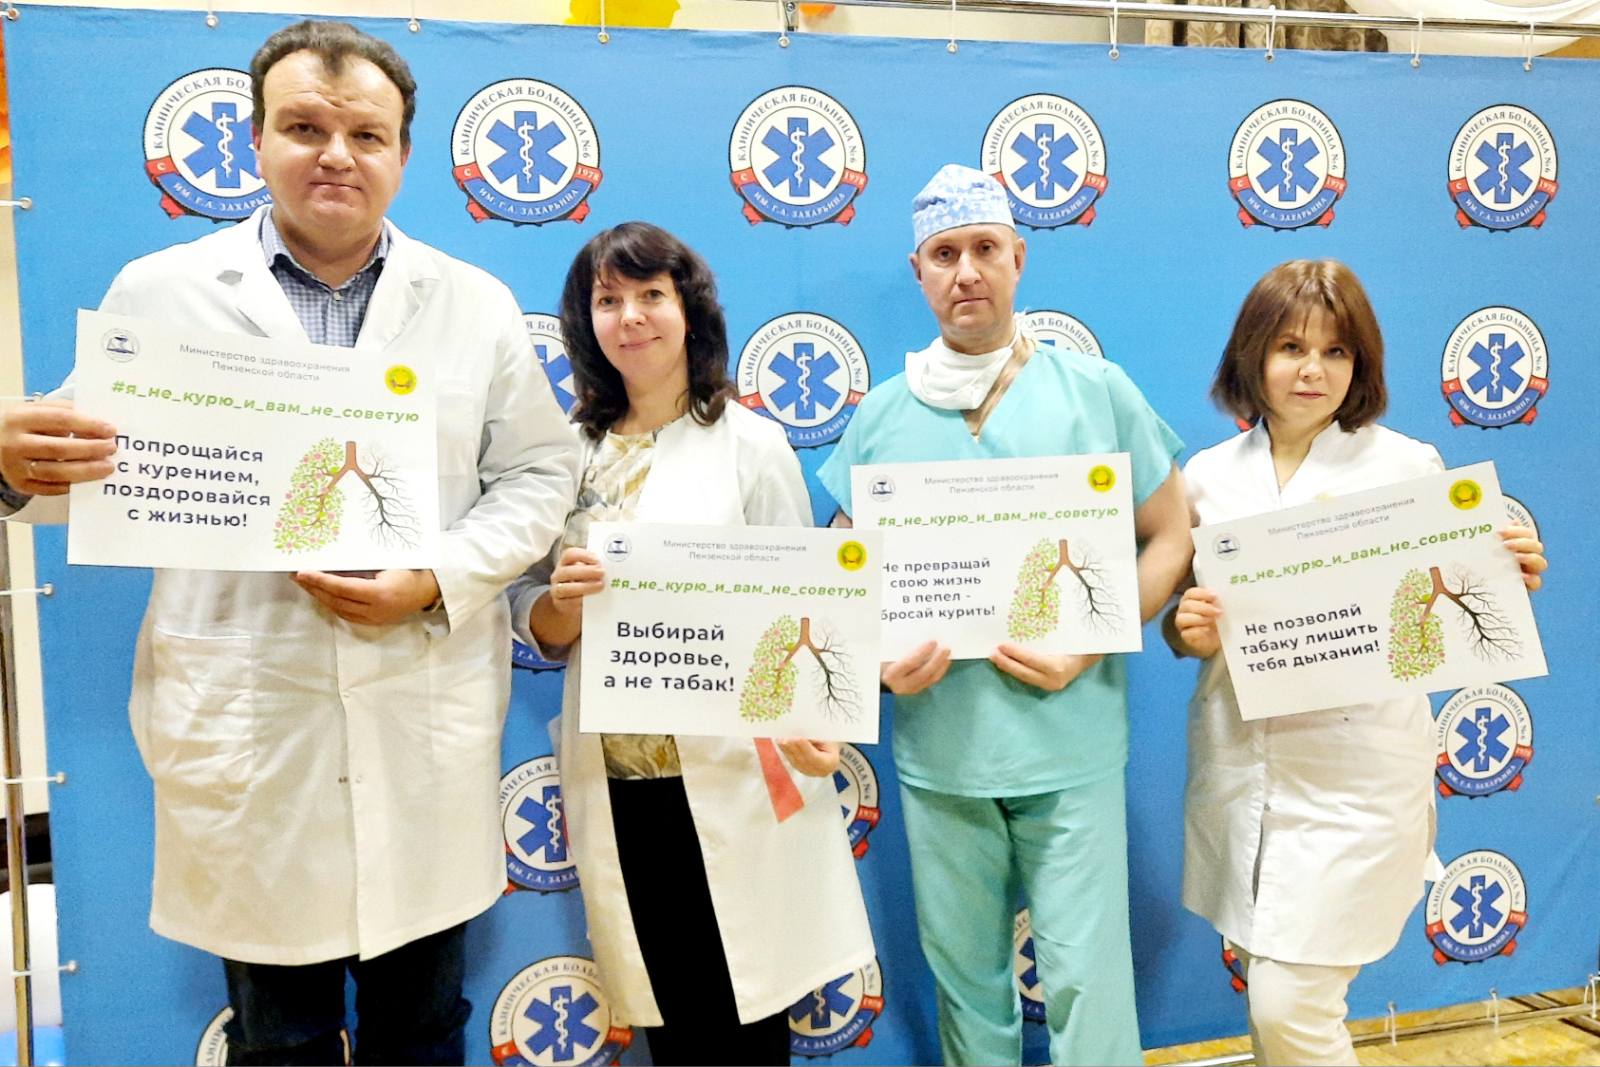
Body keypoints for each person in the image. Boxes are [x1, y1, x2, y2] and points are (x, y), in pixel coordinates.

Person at [0, 20, 578, 1064]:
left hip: (419, 715)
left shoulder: (474, 305)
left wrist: (437, 575)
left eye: (367, 134)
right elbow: (81, 474)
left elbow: (541, 473)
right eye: (305, 127)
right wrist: (14, 462)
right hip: (251, 723)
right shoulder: (161, 293)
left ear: (403, 153)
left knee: (422, 1030)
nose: (336, 155)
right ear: (255, 140)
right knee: (279, 1038)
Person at [816, 164, 1193, 1066]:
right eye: (944, 254)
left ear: (1019, 257)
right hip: (944, 751)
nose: (967, 272)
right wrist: (875, 666)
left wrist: (1092, 638)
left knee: (1087, 982)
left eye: (985, 248)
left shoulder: (1095, 392)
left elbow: (1172, 535)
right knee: (966, 985)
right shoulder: (882, 417)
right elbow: (840, 582)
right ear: (918, 272)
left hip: (1071, 743)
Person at [1164, 259, 1548, 1067]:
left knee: (1289, 1004)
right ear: (1251, 354)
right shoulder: (1207, 479)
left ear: (1361, 363)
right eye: (1290, 347)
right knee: (1274, 996)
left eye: (1335, 351)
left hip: (1357, 783)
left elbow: (1451, 603)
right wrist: (1189, 631)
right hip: (1244, 770)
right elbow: (1181, 624)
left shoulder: (1405, 468)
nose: (1312, 369)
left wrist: (1506, 572)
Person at [510, 222, 873, 1067]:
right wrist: (562, 605)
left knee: (746, 1014)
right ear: (585, 321)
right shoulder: (565, 454)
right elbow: (532, 614)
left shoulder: (751, 444)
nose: (631, 317)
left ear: (690, 311)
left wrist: (821, 723)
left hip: (736, 774)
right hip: (622, 785)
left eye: (651, 295)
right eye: (608, 300)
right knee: (670, 1022)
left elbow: (802, 603)